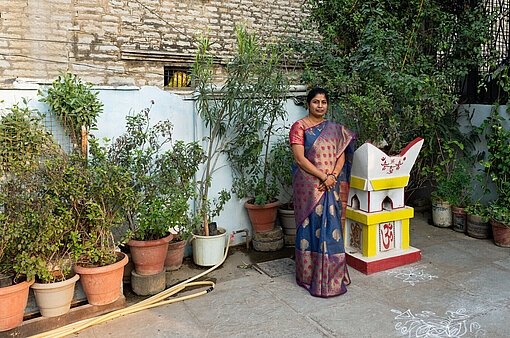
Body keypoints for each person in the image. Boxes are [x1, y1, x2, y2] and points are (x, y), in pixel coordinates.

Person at [289, 87, 356, 297]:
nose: (320, 106)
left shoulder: (335, 129)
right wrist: (323, 176)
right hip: (309, 186)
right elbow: (300, 159)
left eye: (324, 102)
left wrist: (333, 176)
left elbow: (340, 155)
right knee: (310, 227)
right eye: (316, 102)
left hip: (330, 185)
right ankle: (309, 275)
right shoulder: (299, 127)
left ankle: (333, 275)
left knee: (331, 226)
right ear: (308, 104)